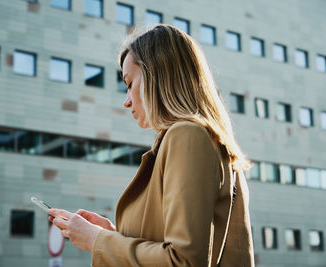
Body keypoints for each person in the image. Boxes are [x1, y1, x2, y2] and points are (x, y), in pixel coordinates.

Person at [49, 24, 255, 266]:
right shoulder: (202, 138)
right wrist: (112, 235)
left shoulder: (187, 136)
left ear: (156, 76)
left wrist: (98, 240)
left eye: (129, 84)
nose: (126, 101)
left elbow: (184, 261)